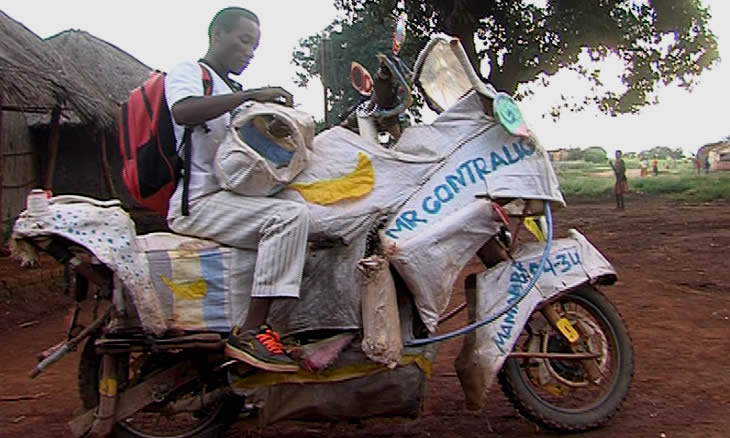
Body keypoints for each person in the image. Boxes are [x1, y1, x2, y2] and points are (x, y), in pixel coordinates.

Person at [164, 7, 308, 373]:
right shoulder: (190, 73)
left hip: (227, 199)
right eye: (244, 41)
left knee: (306, 206)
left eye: (255, 46)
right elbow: (183, 111)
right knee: (289, 217)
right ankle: (251, 332)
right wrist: (254, 96)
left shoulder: (232, 91)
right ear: (217, 34)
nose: (249, 52)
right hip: (198, 203)